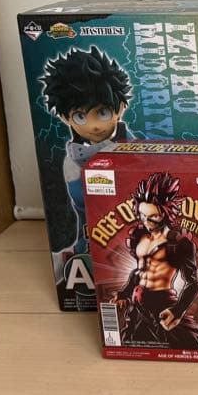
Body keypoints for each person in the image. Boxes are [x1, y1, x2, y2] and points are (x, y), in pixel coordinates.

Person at [39, 46, 134, 277]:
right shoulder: (71, 162)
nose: (94, 126)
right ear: (65, 117)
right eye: (80, 116)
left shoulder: (135, 154)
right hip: (87, 252)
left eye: (103, 113)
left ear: (120, 108)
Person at [110, 172, 198, 350]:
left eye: (153, 217)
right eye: (142, 215)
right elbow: (139, 272)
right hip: (137, 307)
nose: (147, 221)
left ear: (165, 213)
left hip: (162, 303)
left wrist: (178, 311)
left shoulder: (178, 243)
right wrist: (124, 293)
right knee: (131, 344)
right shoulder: (139, 236)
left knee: (197, 347)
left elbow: (194, 283)